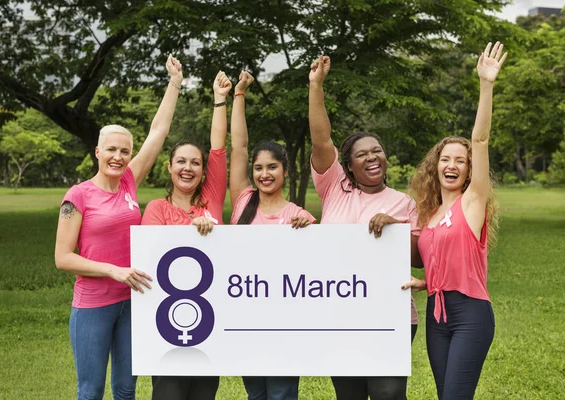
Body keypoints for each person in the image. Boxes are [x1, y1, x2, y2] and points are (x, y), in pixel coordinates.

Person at [54, 55, 183, 400]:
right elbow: (63, 258)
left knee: (126, 389)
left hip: (132, 302)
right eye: (111, 149)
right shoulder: (78, 195)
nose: (119, 156)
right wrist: (114, 270)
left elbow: (158, 132)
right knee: (91, 390)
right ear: (97, 151)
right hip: (93, 306)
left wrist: (175, 83)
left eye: (124, 151)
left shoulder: (128, 183)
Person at [308, 55, 422, 400]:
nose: (372, 157)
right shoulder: (335, 188)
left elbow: (419, 259)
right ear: (349, 166)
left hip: (391, 316)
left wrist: (396, 227)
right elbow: (321, 139)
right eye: (362, 154)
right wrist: (316, 86)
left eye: (378, 151)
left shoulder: (405, 203)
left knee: (388, 395)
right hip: (339, 314)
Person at [404, 41, 506, 400]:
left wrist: (486, 83)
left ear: (469, 170)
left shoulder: (473, 202)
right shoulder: (430, 215)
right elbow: (442, 259)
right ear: (436, 166)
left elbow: (480, 139)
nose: (452, 165)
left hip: (469, 315)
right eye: (445, 159)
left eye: (460, 161)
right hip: (437, 315)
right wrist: (425, 282)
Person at [141, 71, 232, 399]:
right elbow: (152, 255)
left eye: (195, 162)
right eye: (181, 161)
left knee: (204, 393)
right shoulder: (155, 209)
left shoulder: (211, 199)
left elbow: (218, 147)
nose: (188, 167)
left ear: (203, 171)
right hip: (168, 319)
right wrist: (190, 232)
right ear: (169, 166)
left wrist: (219, 99)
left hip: (210, 317)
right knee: (170, 392)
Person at [231, 71, 315, 400]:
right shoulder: (242, 202)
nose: (264, 174)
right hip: (246, 318)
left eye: (272, 167)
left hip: (286, 323)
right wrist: (239, 95)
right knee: (256, 395)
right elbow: (238, 147)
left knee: (281, 394)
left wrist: (313, 234)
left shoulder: (301, 216)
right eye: (259, 168)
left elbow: (319, 268)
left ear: (285, 169)